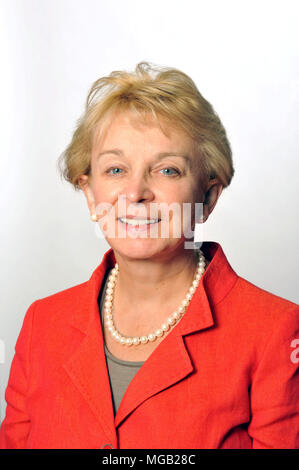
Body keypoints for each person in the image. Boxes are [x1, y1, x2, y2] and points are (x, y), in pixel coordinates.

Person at [0, 62, 298, 449]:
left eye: (168, 170)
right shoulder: (43, 323)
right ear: (90, 194)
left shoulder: (276, 332)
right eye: (116, 169)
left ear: (207, 197)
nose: (136, 191)